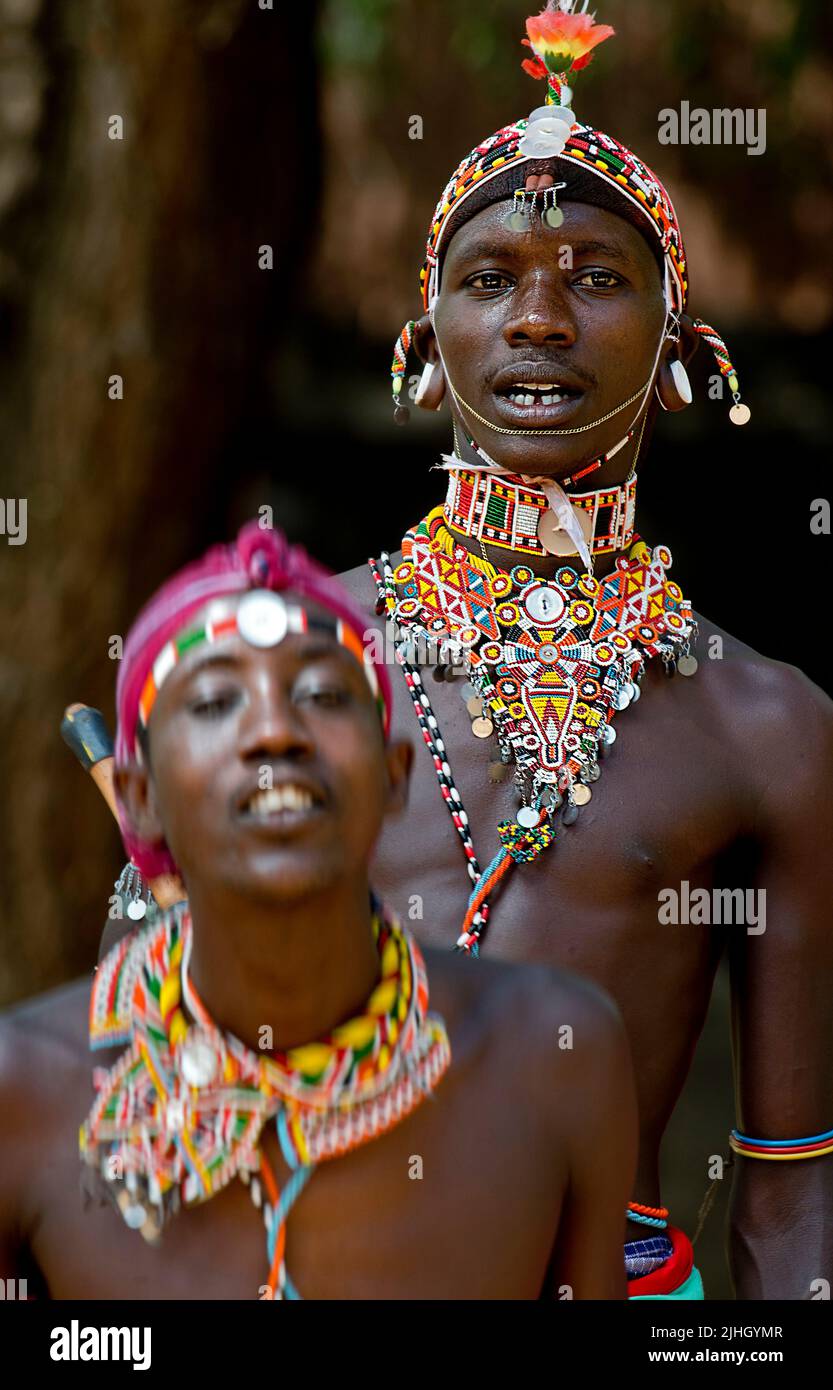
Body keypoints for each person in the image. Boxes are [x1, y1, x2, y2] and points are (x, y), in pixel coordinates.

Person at [337, 3, 833, 1298]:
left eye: (598, 279)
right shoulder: (286, 661)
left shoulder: (764, 726)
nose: (540, 319)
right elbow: (139, 1108)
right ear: (423, 346)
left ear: (679, 351)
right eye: (489, 278)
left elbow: (790, 1187)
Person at [0, 519, 636, 1300]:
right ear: (140, 801)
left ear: (393, 774)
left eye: (321, 695)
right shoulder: (24, 1093)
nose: (273, 730)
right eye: (214, 702)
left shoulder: (556, 1058)